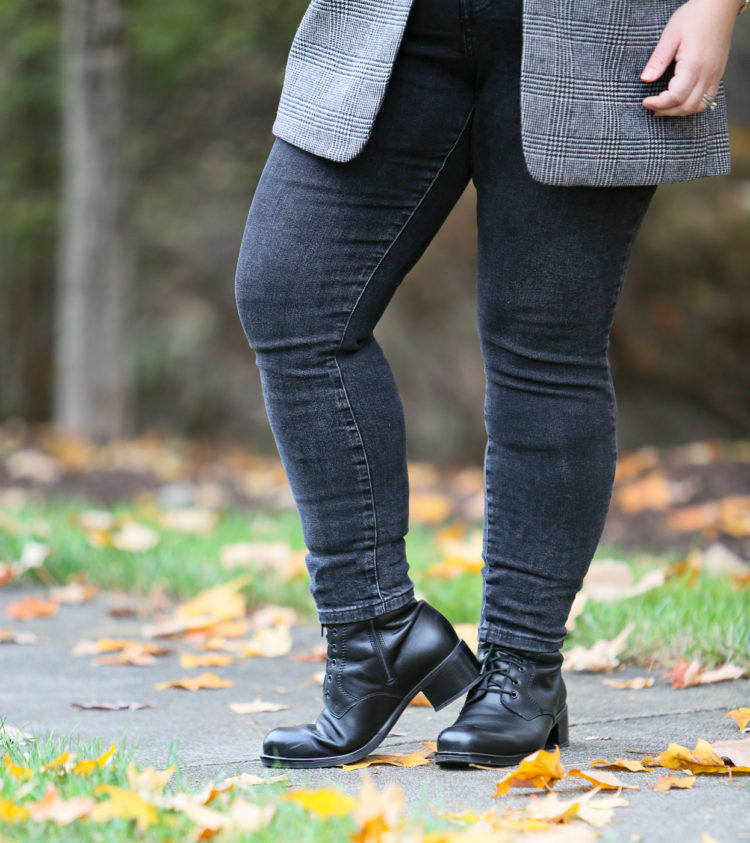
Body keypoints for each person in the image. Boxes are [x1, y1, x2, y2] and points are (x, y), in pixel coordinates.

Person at [234, 0, 745, 769]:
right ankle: (372, 634)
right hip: (394, 24)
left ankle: (523, 666)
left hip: (593, 29)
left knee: (545, 348)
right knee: (291, 295)